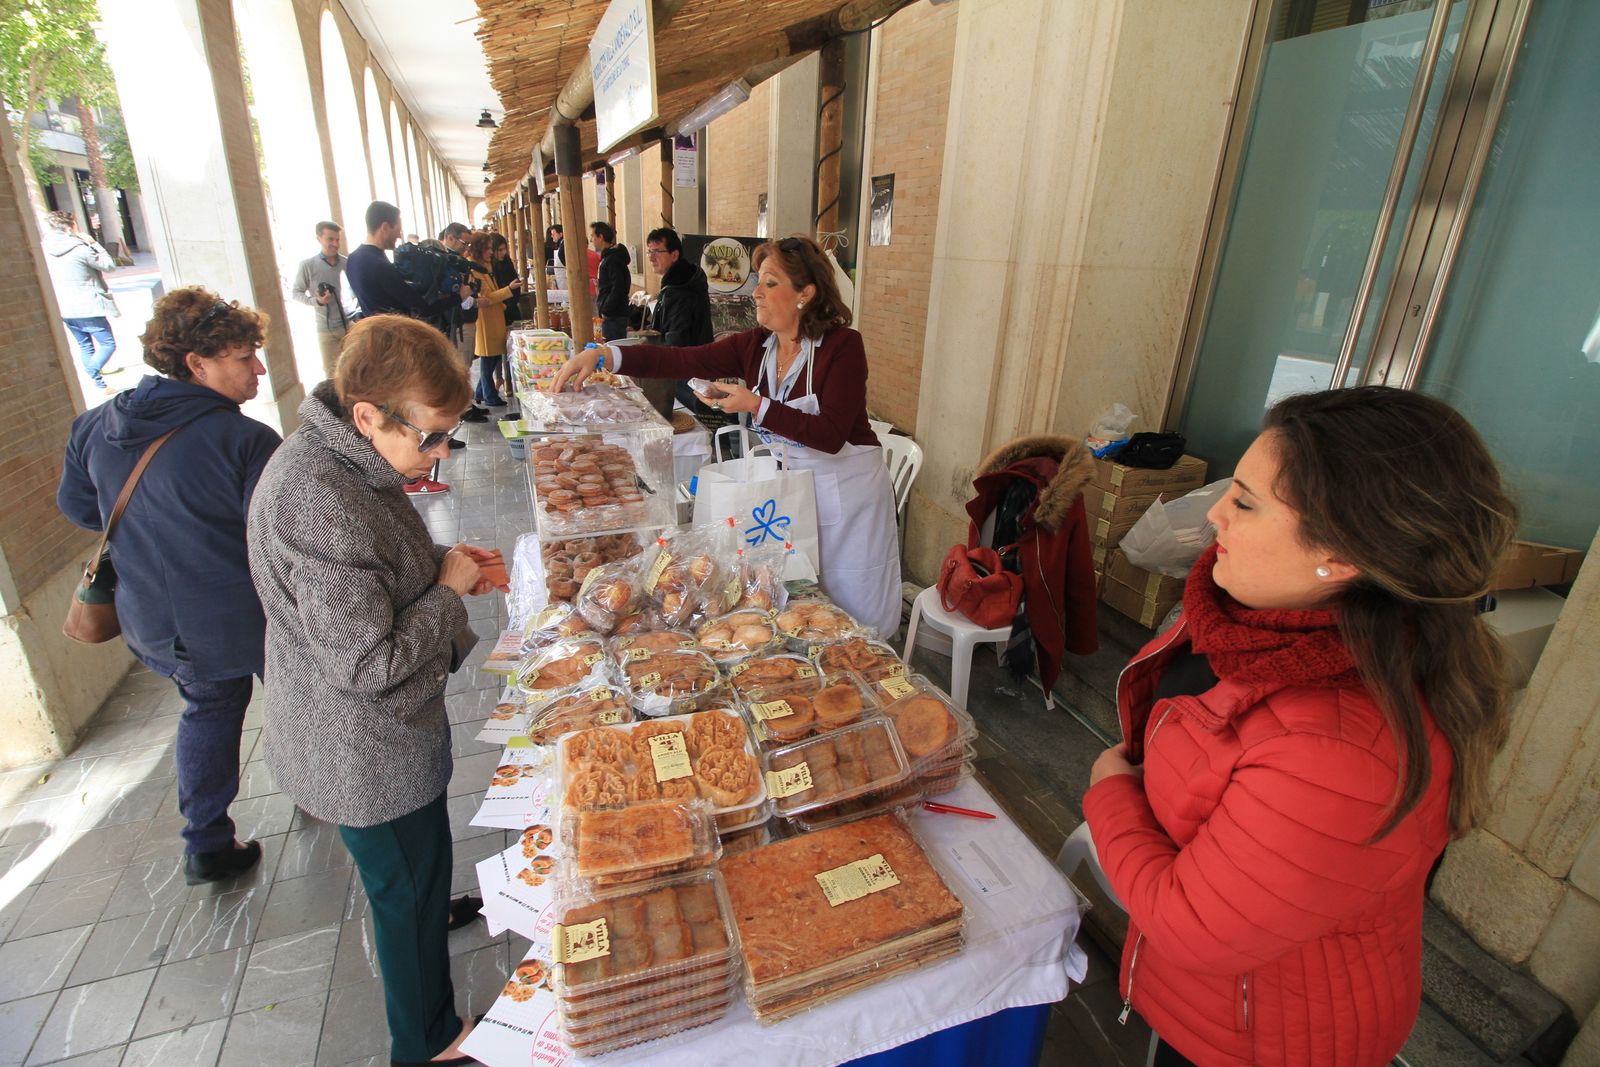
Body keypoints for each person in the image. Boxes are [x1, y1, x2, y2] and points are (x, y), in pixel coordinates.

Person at [1082, 386, 1518, 1067]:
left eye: (1247, 502)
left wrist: (1111, 790)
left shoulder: (1339, 750)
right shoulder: (1262, 620)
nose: (1217, 511)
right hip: (1220, 1001)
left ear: (1341, 556)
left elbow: (1192, 925)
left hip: (1270, 1036)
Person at [247, 315, 501, 1067]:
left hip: (376, 736)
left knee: (418, 872)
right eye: (430, 436)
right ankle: (425, 1042)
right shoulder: (315, 497)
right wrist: (449, 592)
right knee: (404, 889)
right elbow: (368, 663)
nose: (440, 451)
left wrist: (441, 556)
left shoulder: (349, 459)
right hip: (363, 748)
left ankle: (429, 955)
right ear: (367, 414)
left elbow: (376, 561)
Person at [553, 234, 902, 635]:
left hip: (850, 500)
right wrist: (606, 354)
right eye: (759, 281)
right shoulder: (759, 346)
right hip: (793, 488)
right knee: (802, 603)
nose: (757, 293)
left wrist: (756, 405)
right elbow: (683, 357)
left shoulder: (843, 347)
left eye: (771, 283)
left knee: (852, 607)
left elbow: (831, 434)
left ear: (805, 292)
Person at [58, 287, 282, 883]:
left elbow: (82, 508)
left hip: (153, 614)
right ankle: (321, 792)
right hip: (245, 613)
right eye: (244, 356)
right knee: (296, 698)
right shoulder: (245, 441)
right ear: (197, 363)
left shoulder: (94, 425)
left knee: (207, 708)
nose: (258, 368)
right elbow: (283, 536)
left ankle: (207, 841)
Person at [345, 201, 471, 495]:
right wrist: (456, 297)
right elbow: (420, 304)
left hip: (373, 344)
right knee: (408, 415)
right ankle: (416, 480)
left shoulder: (354, 259)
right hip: (395, 351)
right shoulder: (377, 263)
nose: (399, 237)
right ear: (385, 226)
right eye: (397, 229)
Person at [42, 210, 120, 391]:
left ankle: (99, 384)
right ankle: (93, 372)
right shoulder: (80, 248)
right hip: (88, 305)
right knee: (108, 343)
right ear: (70, 228)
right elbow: (109, 266)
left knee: (85, 345)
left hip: (64, 306)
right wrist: (95, 244)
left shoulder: (44, 249)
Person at [644, 226, 715, 416]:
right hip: (691, 367)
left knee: (690, 420)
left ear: (674, 255)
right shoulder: (678, 283)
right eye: (649, 251)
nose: (651, 257)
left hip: (685, 370)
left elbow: (677, 338)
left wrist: (659, 363)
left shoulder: (680, 289)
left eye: (657, 252)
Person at [289, 220, 355, 379]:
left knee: (354, 371)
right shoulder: (307, 265)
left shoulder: (347, 263)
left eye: (337, 239)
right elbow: (296, 293)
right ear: (319, 238)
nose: (335, 244)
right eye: (330, 239)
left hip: (350, 326)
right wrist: (316, 301)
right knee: (332, 375)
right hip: (326, 330)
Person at [464, 232, 522, 410]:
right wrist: (508, 290)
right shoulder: (475, 269)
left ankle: (482, 392)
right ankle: (489, 395)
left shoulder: (486, 265)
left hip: (495, 317)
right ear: (480, 248)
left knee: (493, 357)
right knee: (488, 359)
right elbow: (487, 296)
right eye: (489, 248)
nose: (491, 252)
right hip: (487, 319)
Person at [591, 220, 632, 342]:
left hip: (614, 315)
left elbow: (619, 286)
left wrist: (606, 310)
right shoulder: (608, 258)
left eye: (593, 236)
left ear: (601, 237)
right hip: (610, 314)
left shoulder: (613, 259)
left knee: (612, 348)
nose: (591, 239)